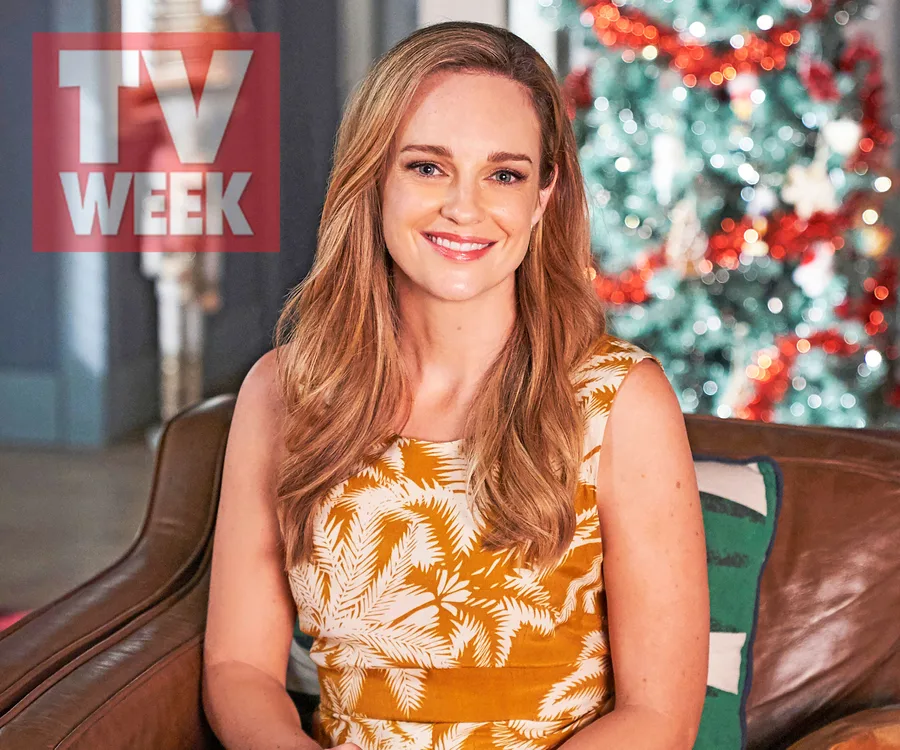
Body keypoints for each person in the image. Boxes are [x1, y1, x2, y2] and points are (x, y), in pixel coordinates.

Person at [202, 20, 709, 750]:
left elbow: (659, 718)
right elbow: (238, 666)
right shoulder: (286, 391)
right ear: (373, 176)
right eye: (427, 167)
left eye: (503, 174)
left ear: (542, 196)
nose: (464, 208)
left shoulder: (621, 404)